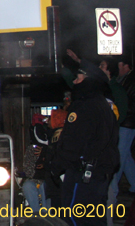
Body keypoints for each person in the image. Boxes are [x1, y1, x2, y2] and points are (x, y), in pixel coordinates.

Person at [51, 60, 119, 226]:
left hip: (83, 174)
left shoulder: (83, 106)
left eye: (78, 78)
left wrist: (58, 165)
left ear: (89, 81)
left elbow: (73, 141)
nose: (74, 82)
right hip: (99, 173)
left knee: (75, 218)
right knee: (95, 219)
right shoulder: (104, 105)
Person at [111, 56, 135, 210]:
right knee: (125, 156)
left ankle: (113, 188)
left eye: (120, 66)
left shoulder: (130, 80)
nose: (118, 70)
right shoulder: (124, 79)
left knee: (120, 154)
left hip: (128, 122)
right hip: (127, 121)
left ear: (126, 66)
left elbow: (128, 102)